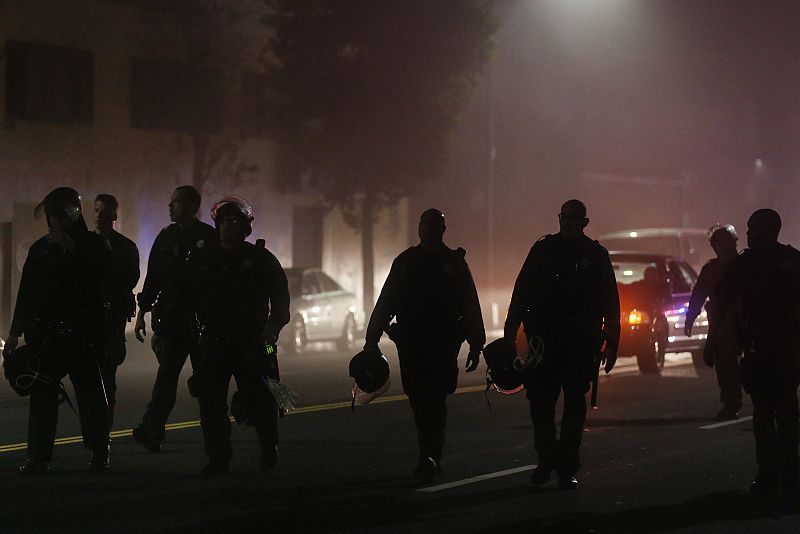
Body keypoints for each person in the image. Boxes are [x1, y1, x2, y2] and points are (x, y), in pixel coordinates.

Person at [504, 199, 619, 490]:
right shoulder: (543, 250)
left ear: (584, 222)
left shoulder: (594, 255)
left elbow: (610, 301)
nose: (567, 223)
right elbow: (521, 291)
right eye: (563, 217)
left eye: (573, 218)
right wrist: (509, 332)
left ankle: (566, 466)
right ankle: (546, 459)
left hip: (579, 344)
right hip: (544, 342)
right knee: (540, 404)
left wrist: (613, 341)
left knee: (574, 406)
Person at [365, 208, 485, 483]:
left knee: (436, 400)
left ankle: (431, 456)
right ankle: (428, 453)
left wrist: (476, 344)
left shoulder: (453, 264)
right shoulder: (406, 262)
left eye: (434, 225)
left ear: (443, 229)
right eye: (424, 224)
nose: (428, 229)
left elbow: (469, 304)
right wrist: (371, 339)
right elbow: (386, 301)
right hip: (412, 343)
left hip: (443, 344)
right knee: (419, 400)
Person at [3, 187, 112, 474]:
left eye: (60, 216)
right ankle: (38, 457)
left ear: (72, 216)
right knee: (42, 398)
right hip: (46, 337)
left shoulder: (91, 246)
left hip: (81, 336)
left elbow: (102, 282)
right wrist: (14, 333)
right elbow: (26, 293)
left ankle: (100, 450)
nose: (55, 222)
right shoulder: (40, 249)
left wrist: (73, 251)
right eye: (51, 217)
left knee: (90, 396)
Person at [186, 196, 290, 476]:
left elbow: (281, 298)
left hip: (251, 342)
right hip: (214, 341)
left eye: (234, 222)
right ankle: (218, 458)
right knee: (211, 405)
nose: (227, 227)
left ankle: (269, 446)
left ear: (246, 228)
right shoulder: (204, 259)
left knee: (260, 400)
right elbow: (187, 298)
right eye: (223, 222)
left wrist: (274, 327)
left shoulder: (261, 259)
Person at [713, 209, 800, 496]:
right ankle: (786, 476)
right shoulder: (790, 260)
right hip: (779, 349)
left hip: (768, 349)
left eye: (751, 228)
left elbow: (722, 301)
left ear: (766, 229)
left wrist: (714, 339)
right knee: (782, 413)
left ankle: (771, 476)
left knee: (767, 414)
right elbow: (723, 300)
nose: (747, 234)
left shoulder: (750, 263)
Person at [132, 185, 218, 451]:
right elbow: (154, 277)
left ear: (193, 206)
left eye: (177, 203)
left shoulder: (209, 237)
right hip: (173, 323)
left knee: (207, 385)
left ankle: (215, 440)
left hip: (203, 324)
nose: (171, 207)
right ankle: (152, 429)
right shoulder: (166, 238)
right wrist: (142, 312)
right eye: (171, 203)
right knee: (165, 380)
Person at [684, 223, 742, 420]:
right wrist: (690, 318)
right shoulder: (711, 269)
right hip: (723, 325)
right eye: (720, 243)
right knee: (725, 365)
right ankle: (731, 402)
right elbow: (699, 295)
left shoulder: (747, 265)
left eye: (727, 243)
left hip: (749, 321)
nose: (724, 247)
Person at [93, 194, 140, 431]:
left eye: (105, 212)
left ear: (114, 215)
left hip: (111, 320)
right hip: (87, 319)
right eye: (97, 211)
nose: (101, 216)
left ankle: (103, 433)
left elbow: (130, 278)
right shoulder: (84, 243)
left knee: (107, 379)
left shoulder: (125, 247)